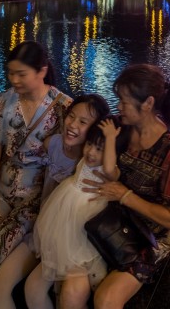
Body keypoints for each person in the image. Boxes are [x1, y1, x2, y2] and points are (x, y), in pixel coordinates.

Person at [0, 41, 73, 309]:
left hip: (36, 201)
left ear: (42, 71)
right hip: (1, 193)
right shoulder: (2, 102)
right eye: (11, 73)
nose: (14, 80)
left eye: (21, 74)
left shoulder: (63, 109)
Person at [72, 64, 170, 309]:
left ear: (147, 104)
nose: (119, 107)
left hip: (148, 238)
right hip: (111, 222)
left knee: (105, 299)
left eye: (124, 101)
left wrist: (125, 196)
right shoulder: (122, 130)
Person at [0, 93, 110, 309]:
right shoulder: (53, 144)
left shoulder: (91, 167)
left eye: (83, 122)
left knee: (35, 291)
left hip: (71, 244)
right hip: (42, 234)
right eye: (71, 116)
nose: (72, 125)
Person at [24, 118, 120, 309]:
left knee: (77, 254)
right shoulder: (83, 159)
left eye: (100, 149)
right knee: (60, 249)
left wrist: (110, 138)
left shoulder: (111, 170)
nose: (91, 152)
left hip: (84, 217)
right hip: (65, 211)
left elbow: (110, 168)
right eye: (90, 145)